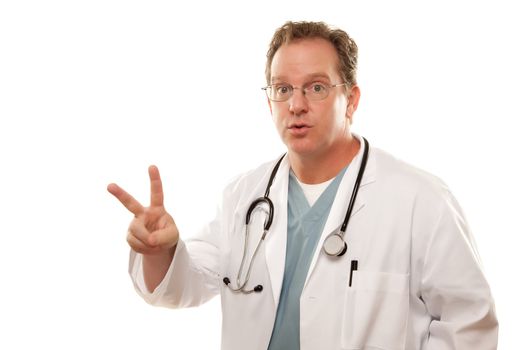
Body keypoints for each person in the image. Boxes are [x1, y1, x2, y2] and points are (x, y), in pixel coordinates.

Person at [107, 21, 498, 350]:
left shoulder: (420, 200)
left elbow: (469, 325)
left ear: (351, 99)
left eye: (316, 87)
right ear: (269, 102)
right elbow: (186, 285)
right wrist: (162, 251)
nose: (296, 104)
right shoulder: (243, 197)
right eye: (282, 89)